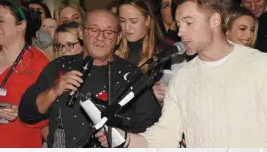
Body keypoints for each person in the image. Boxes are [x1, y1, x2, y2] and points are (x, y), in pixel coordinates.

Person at [95, 0, 267, 148]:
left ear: (215, 20)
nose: (181, 31)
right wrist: (124, 138)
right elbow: (165, 135)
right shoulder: (183, 77)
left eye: (189, 22)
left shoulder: (260, 65)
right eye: (178, 23)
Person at [18, 8, 161, 148]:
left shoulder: (131, 74)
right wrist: (54, 91)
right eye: (94, 30)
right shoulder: (59, 66)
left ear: (118, 38)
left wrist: (120, 135)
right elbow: (27, 113)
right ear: (81, 32)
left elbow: (151, 126)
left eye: (109, 32)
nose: (100, 37)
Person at [0, 0, 50, 147]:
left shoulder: (41, 64)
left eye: (0, 20)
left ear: (21, 26)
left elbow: (51, 114)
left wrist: (25, 113)